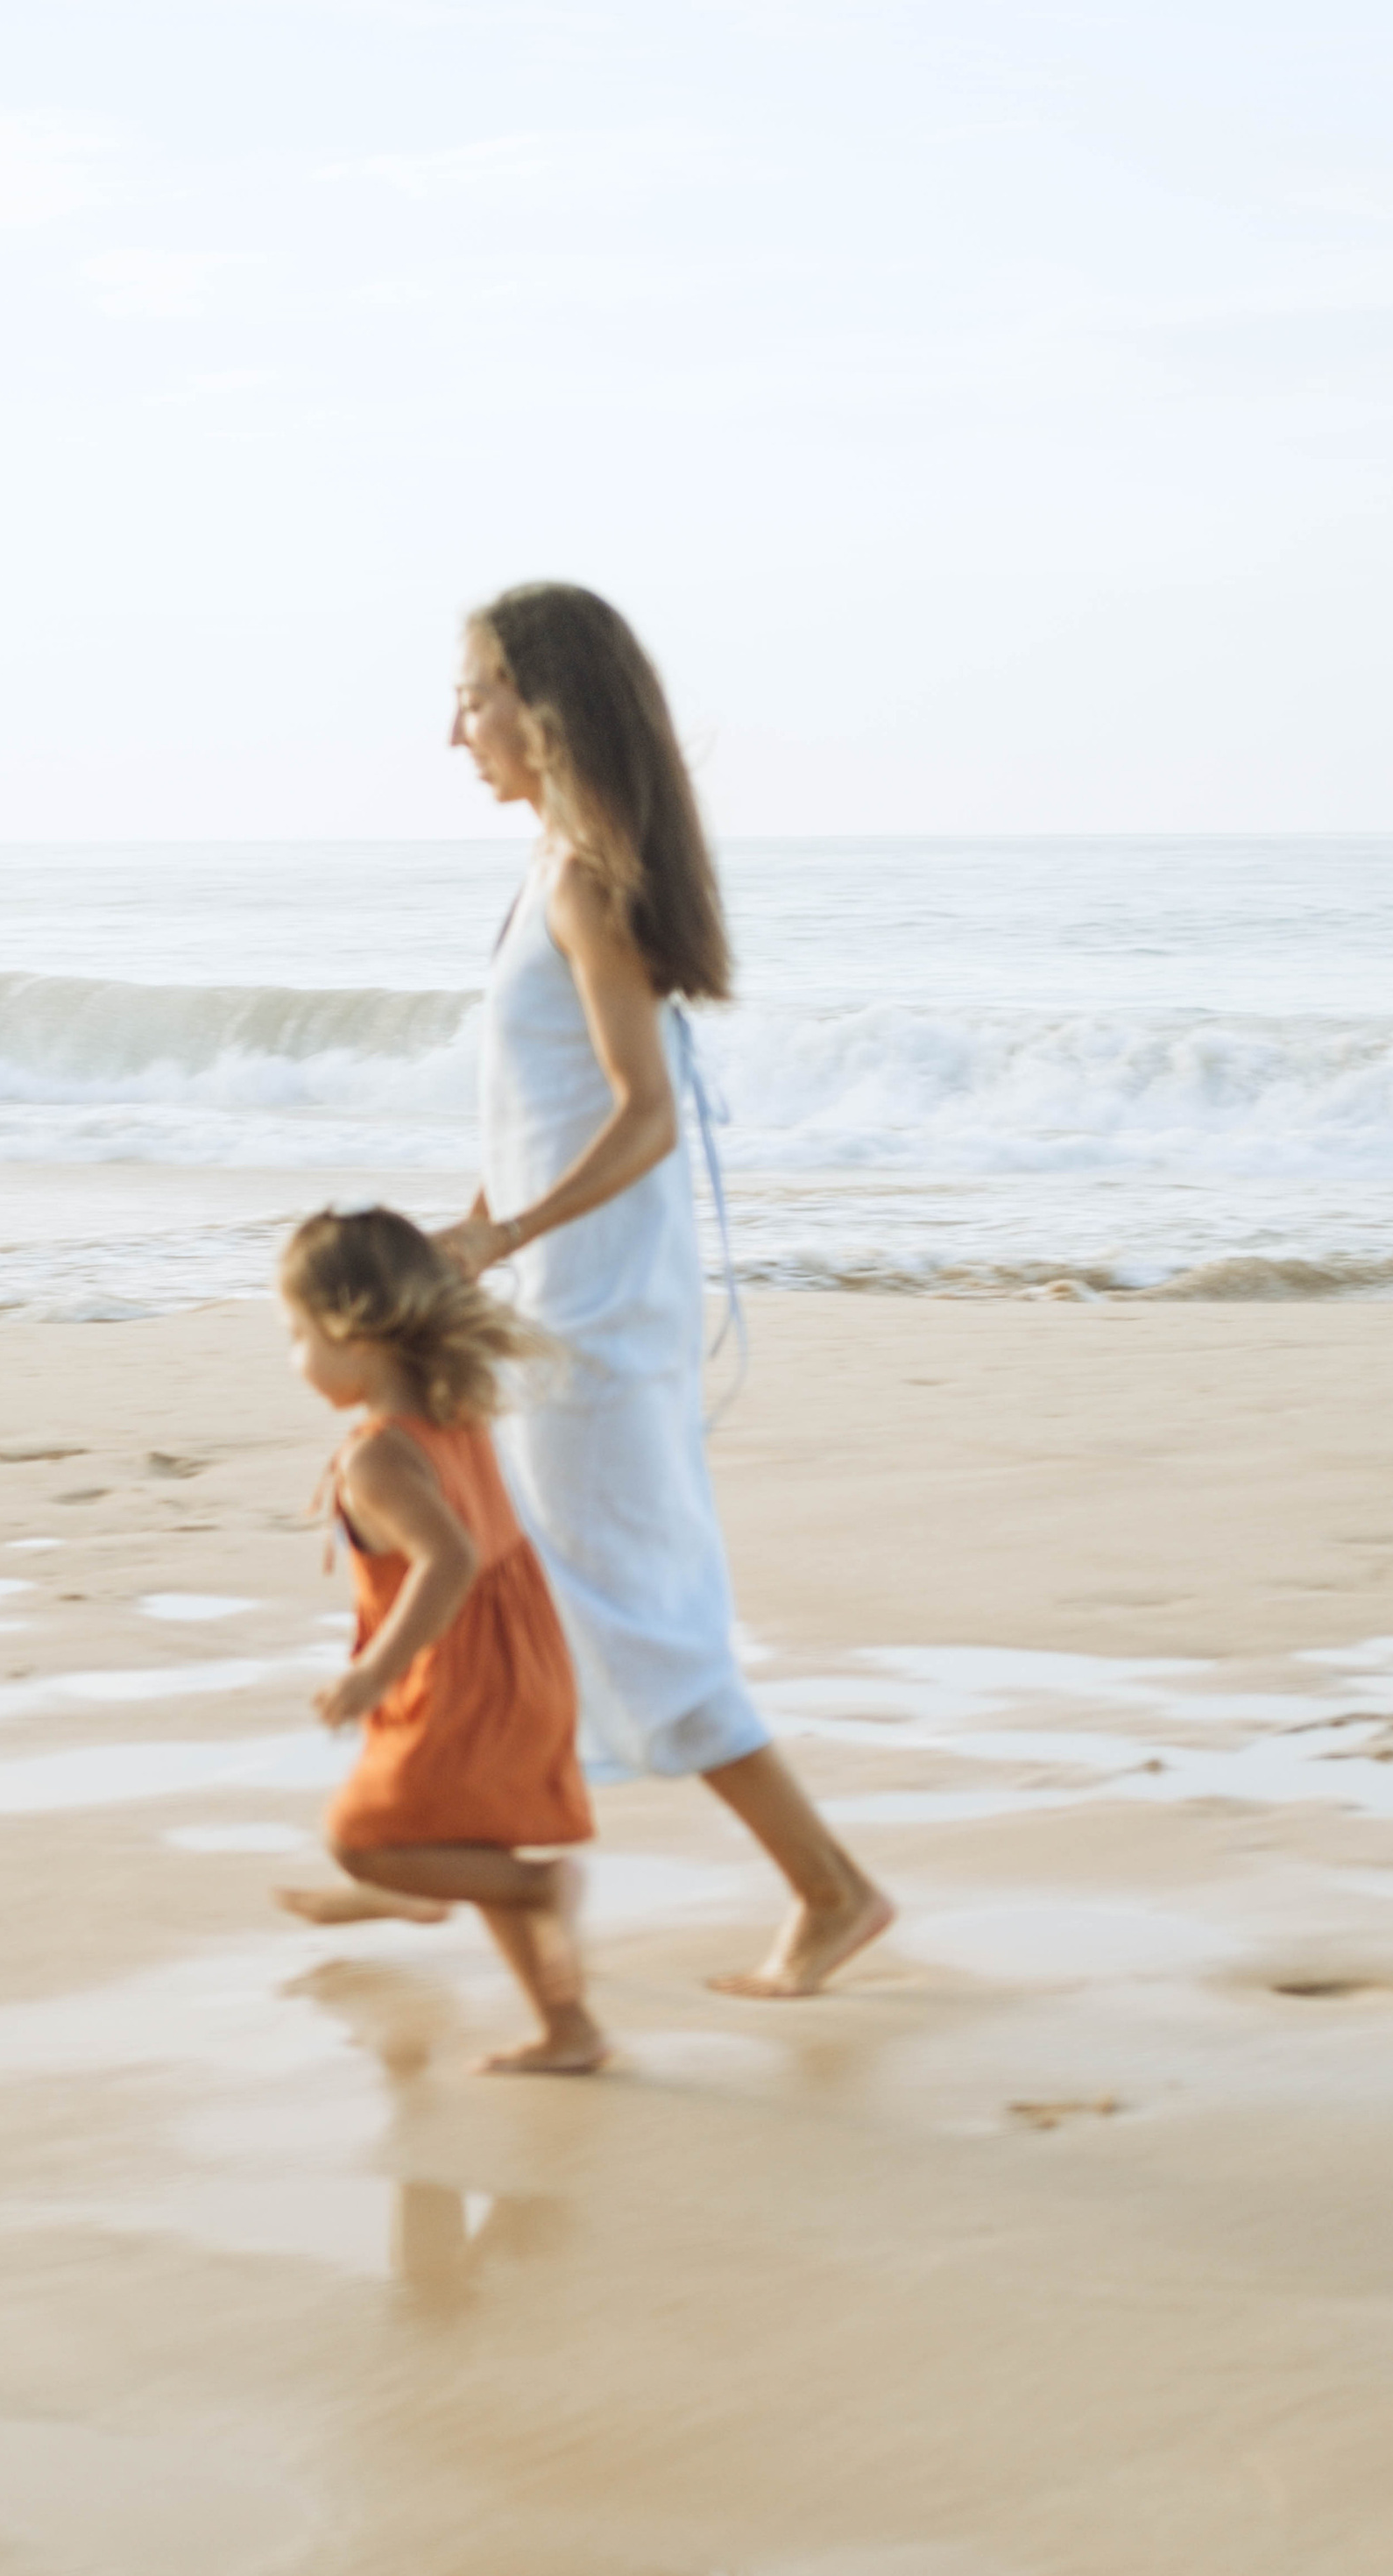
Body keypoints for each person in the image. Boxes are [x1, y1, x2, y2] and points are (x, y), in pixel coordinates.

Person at [438, 580, 892, 1997]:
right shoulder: (545, 873)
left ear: (546, 706)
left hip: (589, 1325)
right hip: (550, 1316)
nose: (457, 727)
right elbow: (546, 1110)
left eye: (476, 692)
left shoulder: (580, 885)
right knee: (550, 1608)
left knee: (627, 1617)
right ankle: (467, 1877)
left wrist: (505, 1242)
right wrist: (465, 1245)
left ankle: (831, 1890)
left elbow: (644, 1117)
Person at [274, 1204, 605, 2078]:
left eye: (299, 1333)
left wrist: (372, 1674)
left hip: (457, 1671)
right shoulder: (454, 1407)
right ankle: (567, 2029)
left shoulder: (379, 1457)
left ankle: (520, 1889)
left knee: (362, 1838)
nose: (294, 1355)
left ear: (359, 1336)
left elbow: (447, 1561)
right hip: (520, 1657)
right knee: (469, 1846)